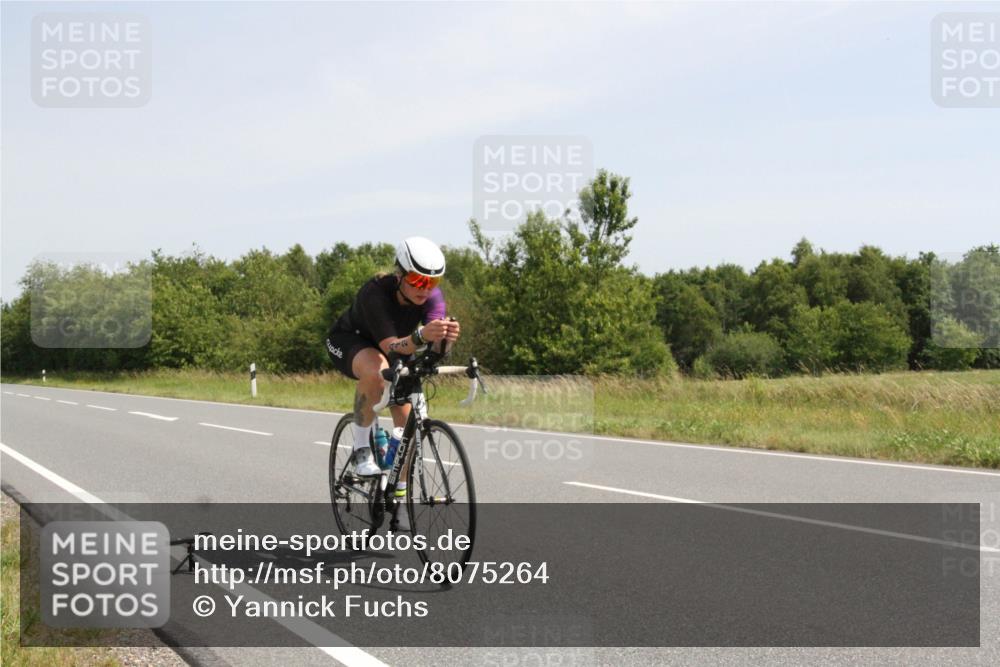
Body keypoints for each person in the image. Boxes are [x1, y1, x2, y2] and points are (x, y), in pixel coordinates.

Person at [324, 237, 460, 527]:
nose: (425, 289)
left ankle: (396, 494)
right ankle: (362, 451)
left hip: (399, 347)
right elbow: (392, 347)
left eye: (432, 282)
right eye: (417, 281)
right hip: (352, 341)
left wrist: (445, 342)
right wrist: (423, 336)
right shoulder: (375, 293)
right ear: (399, 276)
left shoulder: (432, 298)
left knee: (408, 426)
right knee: (377, 370)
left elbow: (433, 353)